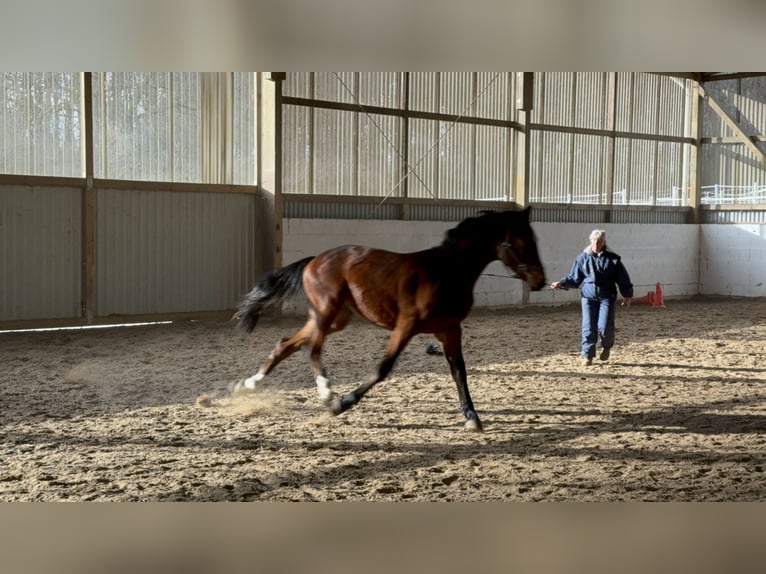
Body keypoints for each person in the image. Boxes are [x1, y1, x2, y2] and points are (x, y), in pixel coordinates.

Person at [551, 229, 633, 366]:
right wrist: (562, 283)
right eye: (594, 241)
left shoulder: (613, 259)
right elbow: (575, 278)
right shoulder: (582, 258)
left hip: (607, 296)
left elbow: (623, 278)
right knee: (588, 326)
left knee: (605, 325)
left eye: (599, 241)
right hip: (588, 296)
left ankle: (606, 346)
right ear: (590, 241)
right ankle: (587, 355)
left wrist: (627, 295)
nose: (596, 243)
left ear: (604, 242)